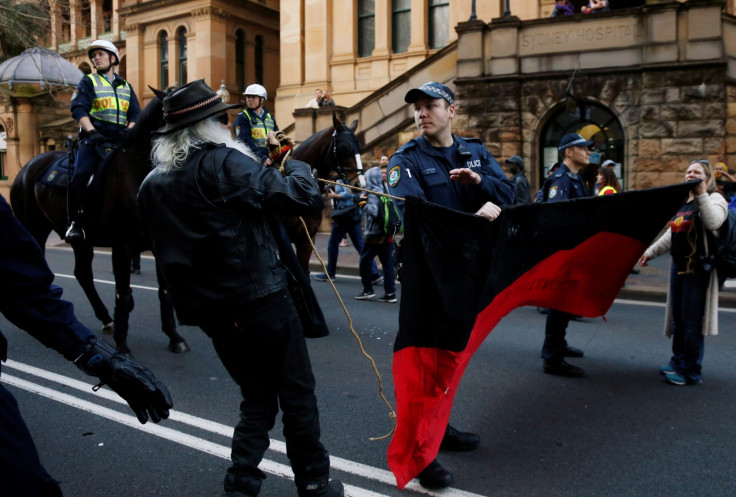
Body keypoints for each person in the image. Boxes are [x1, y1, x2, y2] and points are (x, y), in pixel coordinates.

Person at [137, 79, 343, 497]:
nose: (228, 126)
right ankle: (315, 481)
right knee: (296, 392)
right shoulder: (223, 162)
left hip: (211, 310)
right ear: (210, 125)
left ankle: (242, 478)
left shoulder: (151, 183)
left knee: (257, 394)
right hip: (261, 299)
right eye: (223, 119)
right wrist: (299, 164)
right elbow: (300, 199)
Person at [387, 81, 515, 490]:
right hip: (430, 279)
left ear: (451, 111)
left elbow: (511, 193)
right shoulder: (405, 160)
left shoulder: (474, 152)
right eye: (417, 108)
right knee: (426, 365)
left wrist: (482, 186)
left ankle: (439, 429)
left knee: (451, 360)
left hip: (469, 275)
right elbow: (415, 217)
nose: (422, 113)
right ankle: (421, 456)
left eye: (431, 106)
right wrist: (474, 219)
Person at [0, 194, 172, 496]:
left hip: (111, 142)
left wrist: (95, 356)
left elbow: (20, 287)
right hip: (95, 144)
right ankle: (77, 219)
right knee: (84, 172)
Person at [638, 160, 728, 385]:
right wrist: (650, 252)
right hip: (679, 267)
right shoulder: (684, 201)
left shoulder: (715, 199)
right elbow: (672, 234)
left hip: (698, 270)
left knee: (692, 323)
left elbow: (713, 222)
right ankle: (677, 361)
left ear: (707, 178)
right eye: (688, 171)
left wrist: (701, 195)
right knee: (678, 319)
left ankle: (691, 371)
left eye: (696, 172)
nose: (690, 175)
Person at [66, 39, 141, 242]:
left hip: (118, 142)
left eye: (100, 54)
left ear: (113, 58)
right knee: (81, 176)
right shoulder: (88, 81)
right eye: (94, 55)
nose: (96, 58)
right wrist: (92, 132)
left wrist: (130, 130)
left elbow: (135, 114)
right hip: (94, 141)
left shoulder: (126, 86)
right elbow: (78, 108)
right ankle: (75, 222)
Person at [539, 133, 593, 377]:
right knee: (558, 303)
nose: (588, 152)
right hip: (562, 252)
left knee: (566, 302)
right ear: (568, 152)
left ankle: (559, 345)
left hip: (573, 250)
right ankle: (552, 357)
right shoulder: (560, 180)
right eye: (583, 148)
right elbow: (555, 218)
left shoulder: (576, 178)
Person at [313, 180, 381, 284]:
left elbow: (349, 194)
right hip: (352, 215)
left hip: (345, 215)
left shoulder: (346, 178)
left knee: (333, 244)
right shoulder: (348, 178)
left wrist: (335, 195)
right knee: (360, 245)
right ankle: (374, 272)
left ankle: (330, 274)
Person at [355, 164, 398, 302]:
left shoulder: (373, 192)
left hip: (374, 234)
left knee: (364, 261)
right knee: (387, 264)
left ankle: (368, 290)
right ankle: (390, 293)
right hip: (387, 232)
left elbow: (373, 211)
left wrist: (361, 203)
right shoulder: (386, 189)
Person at [233, 83, 278, 166]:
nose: (250, 99)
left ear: (262, 100)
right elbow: (244, 142)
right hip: (252, 160)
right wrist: (261, 157)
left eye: (253, 97)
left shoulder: (270, 117)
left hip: (271, 159)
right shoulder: (243, 117)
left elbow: (278, 137)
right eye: (248, 97)